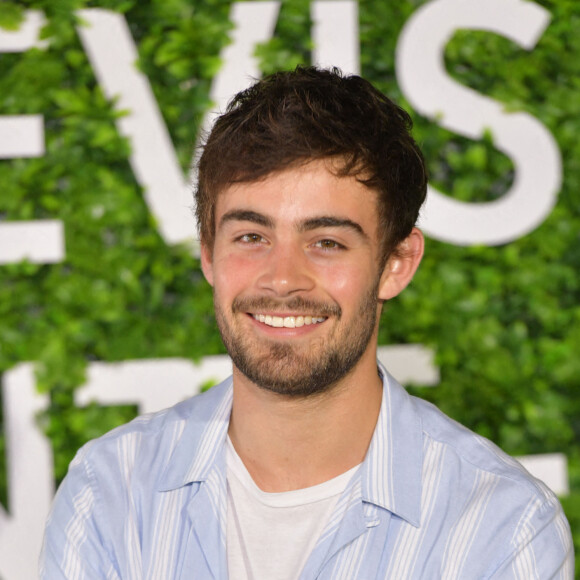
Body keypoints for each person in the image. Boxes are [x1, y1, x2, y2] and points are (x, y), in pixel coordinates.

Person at [40, 66, 573, 579]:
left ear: (396, 263)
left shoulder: (502, 526)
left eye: (326, 242)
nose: (282, 279)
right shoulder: (110, 491)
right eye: (251, 236)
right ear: (208, 253)